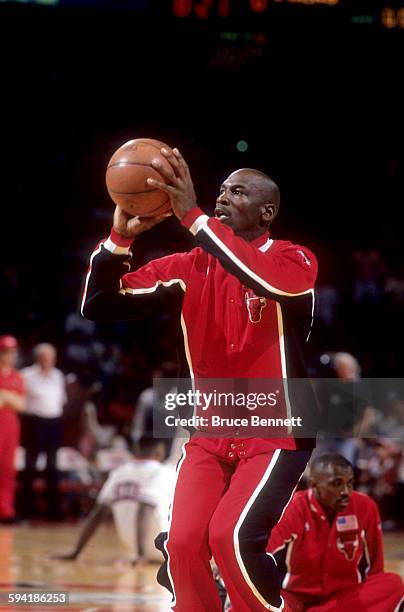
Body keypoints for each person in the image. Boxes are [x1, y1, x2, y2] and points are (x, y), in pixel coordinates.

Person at [81, 146, 318, 611]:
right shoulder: (190, 267)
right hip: (209, 434)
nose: (222, 197)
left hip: (276, 435)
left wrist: (191, 215)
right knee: (183, 544)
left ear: (267, 212)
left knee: (230, 538)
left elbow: (259, 274)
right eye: (221, 190)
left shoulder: (295, 261)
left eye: (237, 191)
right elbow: (100, 304)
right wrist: (118, 241)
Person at [267, 453, 404, 612]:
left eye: (350, 483)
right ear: (314, 485)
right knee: (257, 599)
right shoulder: (293, 508)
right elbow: (261, 554)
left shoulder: (365, 507)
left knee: (391, 584)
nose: (346, 491)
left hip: (341, 599)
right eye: (336, 484)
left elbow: (375, 568)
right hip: (294, 599)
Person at [53, 436, 175, 563]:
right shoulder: (163, 471)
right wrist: (141, 555)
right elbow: (144, 510)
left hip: (132, 548)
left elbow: (97, 515)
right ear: (160, 452)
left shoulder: (118, 473)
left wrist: (75, 552)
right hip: (162, 550)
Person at [21, 343, 67, 519]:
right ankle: (25, 509)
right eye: (44, 357)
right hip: (34, 422)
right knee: (30, 466)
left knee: (52, 467)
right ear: (37, 358)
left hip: (54, 423)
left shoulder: (58, 375)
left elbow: (61, 400)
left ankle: (53, 511)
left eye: (50, 357)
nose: (48, 360)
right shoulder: (27, 375)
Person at [0, 335, 25, 523]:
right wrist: (11, 398)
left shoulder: (17, 377)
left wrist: (5, 396)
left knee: (8, 469)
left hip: (10, 427)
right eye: (6, 352)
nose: (9, 356)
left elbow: (21, 404)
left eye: (12, 352)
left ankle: (6, 510)